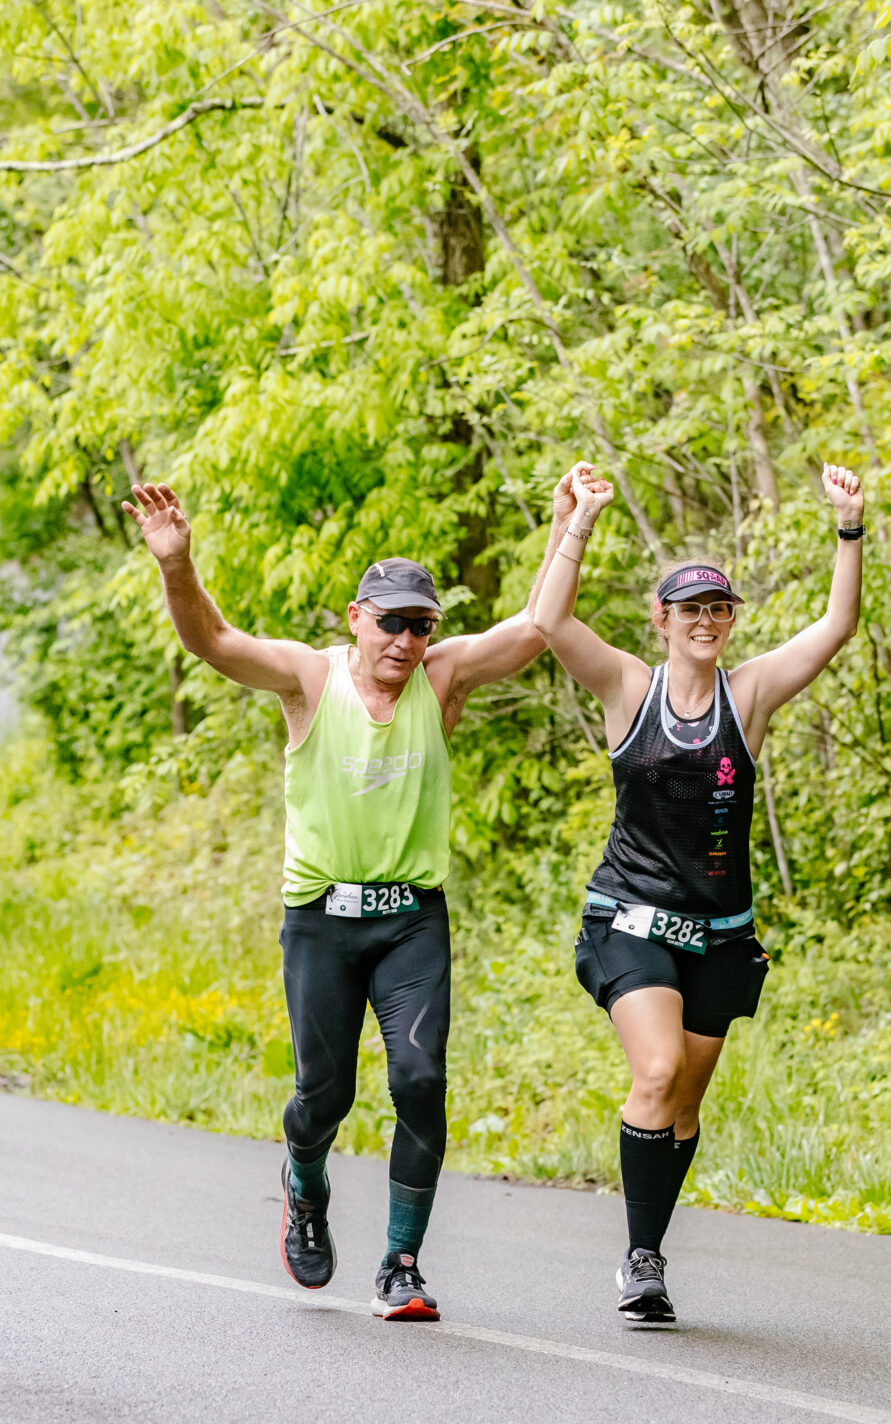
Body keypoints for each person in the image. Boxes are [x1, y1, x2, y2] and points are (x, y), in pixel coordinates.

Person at [124, 474, 590, 1322]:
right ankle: (305, 1180)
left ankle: (400, 1264)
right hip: (321, 922)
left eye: (423, 625)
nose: (408, 642)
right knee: (324, 1097)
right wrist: (176, 565)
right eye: (393, 622)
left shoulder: (443, 680)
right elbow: (213, 641)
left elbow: (535, 629)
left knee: (419, 1078)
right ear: (355, 618)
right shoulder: (310, 679)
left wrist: (571, 522)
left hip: (411, 917)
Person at [533, 463, 866, 1324]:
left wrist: (849, 527)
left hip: (721, 933)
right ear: (664, 621)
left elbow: (836, 626)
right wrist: (578, 524)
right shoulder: (627, 688)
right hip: (631, 918)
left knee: (681, 1106)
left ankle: (650, 1242)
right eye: (692, 611)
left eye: (720, 609)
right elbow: (551, 620)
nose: (708, 622)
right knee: (657, 1068)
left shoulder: (747, 693)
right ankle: (641, 1260)